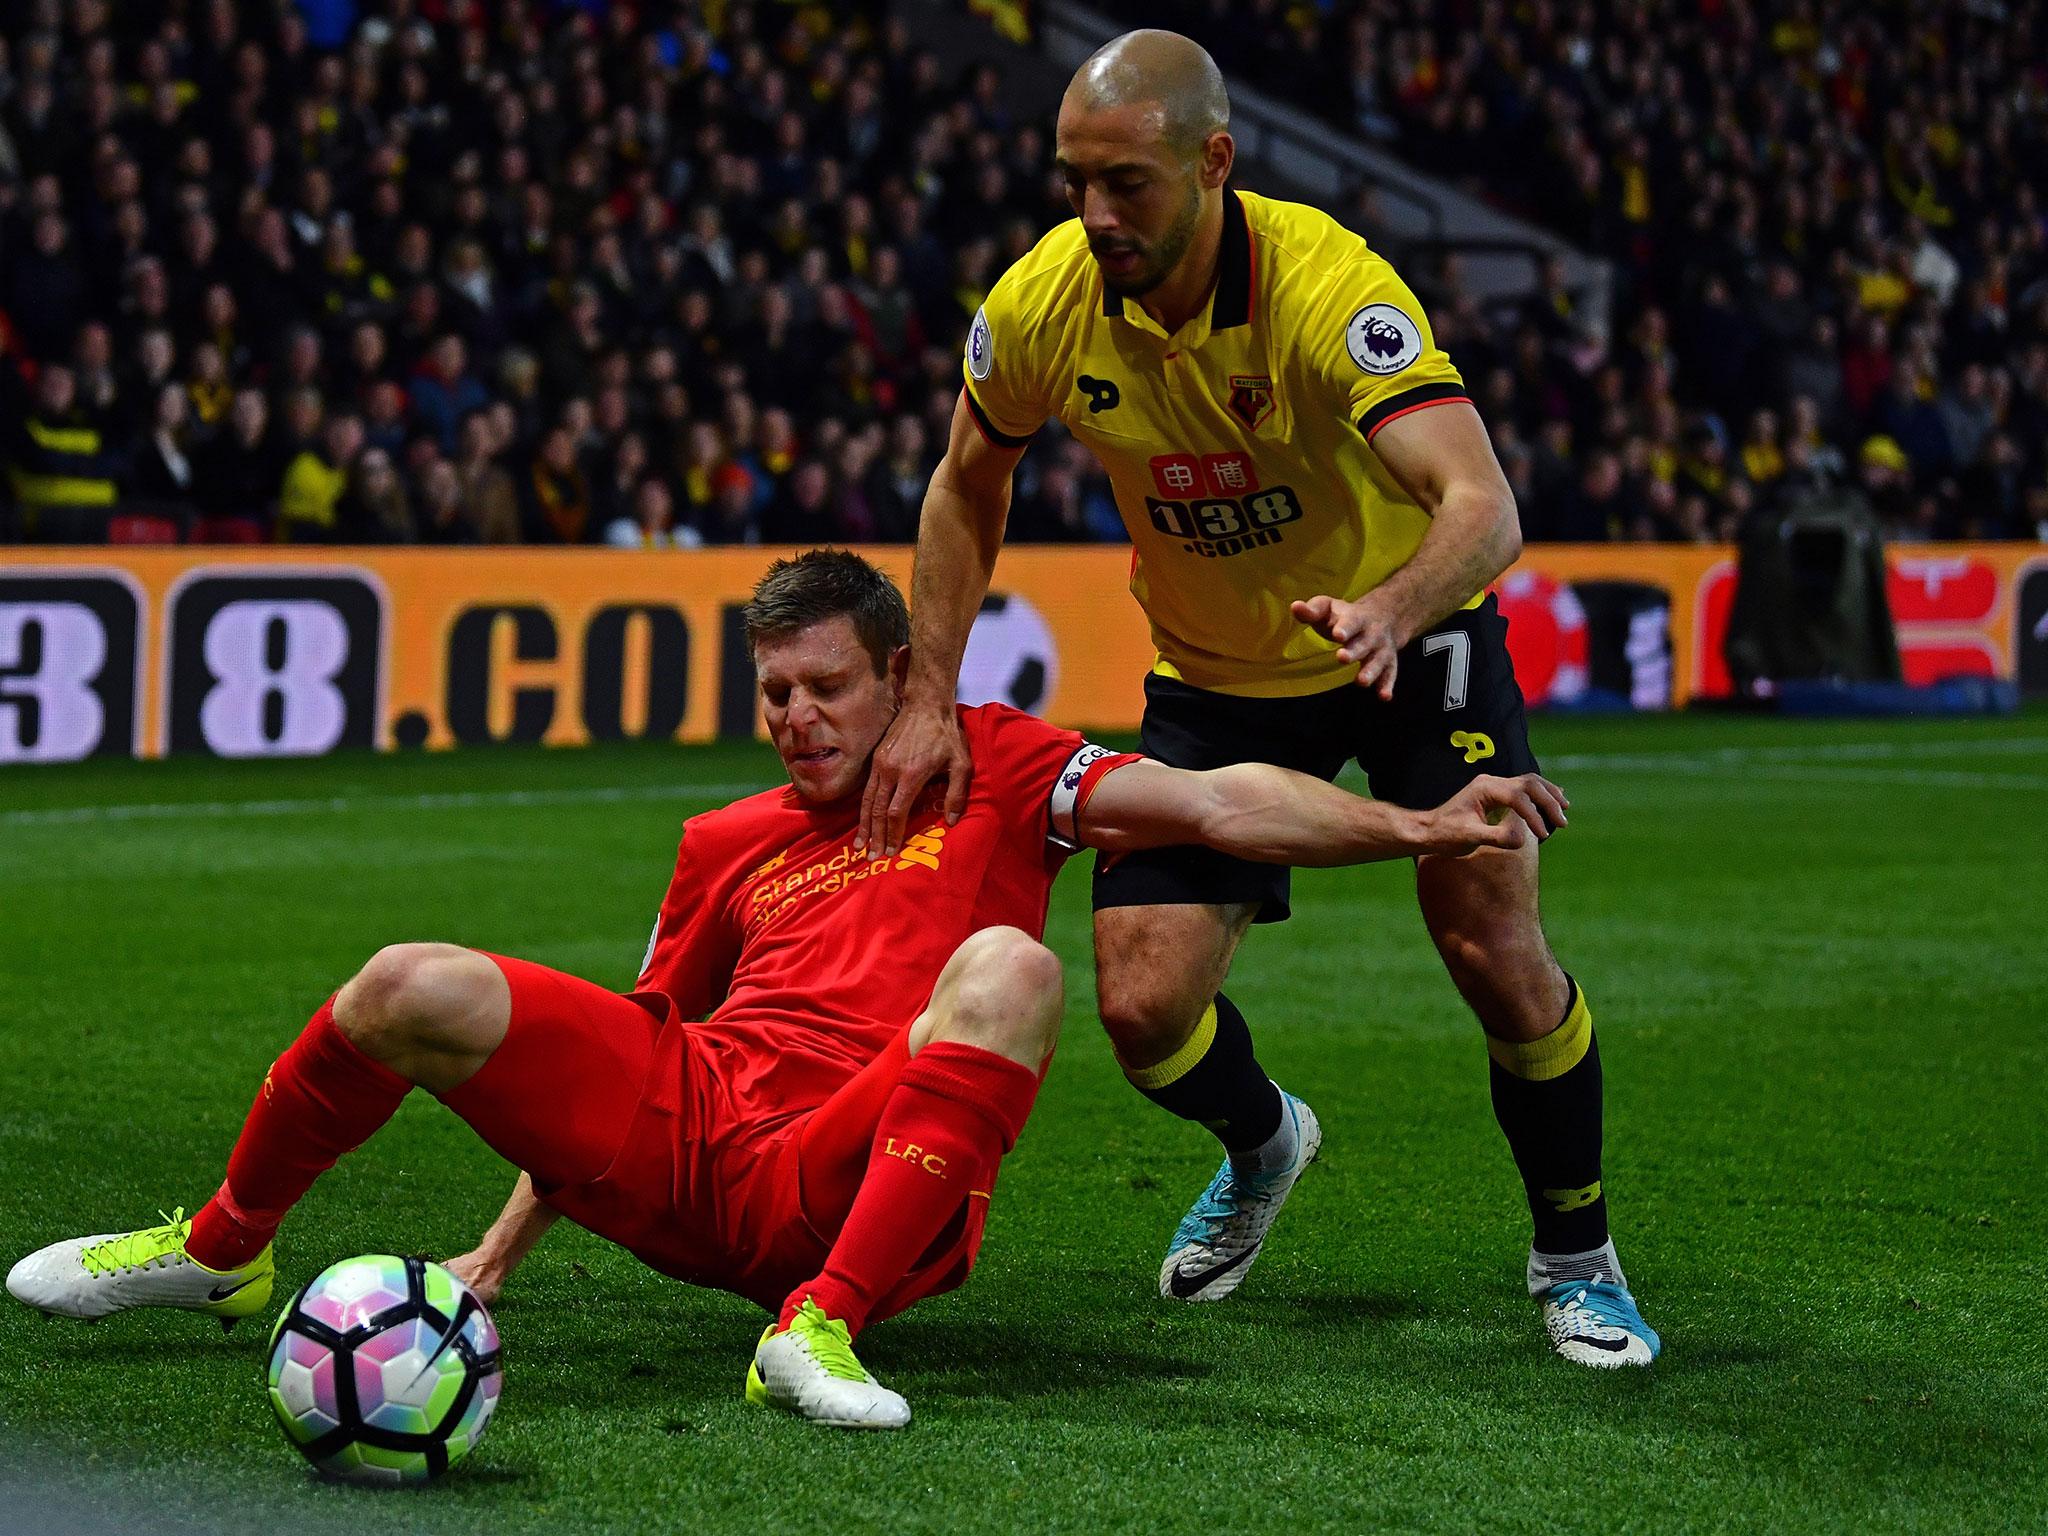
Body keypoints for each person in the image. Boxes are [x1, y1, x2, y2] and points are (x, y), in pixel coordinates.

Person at [7, 550, 1567, 1427]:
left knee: (1014, 962)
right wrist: (490, 1264)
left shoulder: (1005, 761)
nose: (797, 717)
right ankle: (216, 1250)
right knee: (407, 981)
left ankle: (819, 1332)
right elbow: (639, 1047)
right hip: (697, 1145)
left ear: (904, 677)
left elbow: (1221, 804)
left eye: (827, 686)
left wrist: (1423, 821)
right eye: (774, 690)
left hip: (856, 1166)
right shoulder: (725, 839)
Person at [862, 30, 1659, 1367]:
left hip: (1409, 643)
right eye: (1075, 184)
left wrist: (1391, 610)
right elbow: (964, 483)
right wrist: (927, 696)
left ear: (1213, 162)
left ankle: (1577, 1257)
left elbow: (1482, 505)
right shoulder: (1042, 304)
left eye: (1128, 184)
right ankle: (1263, 1139)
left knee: (1492, 952)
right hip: (1220, 674)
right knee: (1140, 1008)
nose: (1096, 215)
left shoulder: (1327, 286)